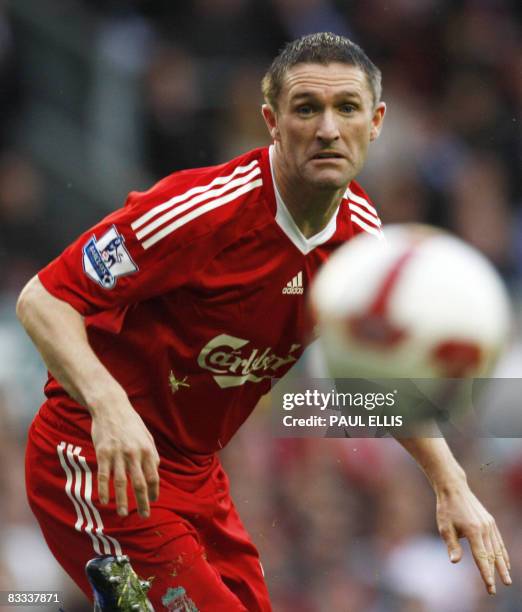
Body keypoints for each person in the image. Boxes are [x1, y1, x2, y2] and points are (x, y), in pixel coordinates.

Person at [17, 32, 511, 611]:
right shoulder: (199, 211)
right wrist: (110, 406)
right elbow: (42, 300)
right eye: (307, 108)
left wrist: (450, 482)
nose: (328, 128)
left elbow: (377, 377)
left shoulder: (362, 240)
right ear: (272, 121)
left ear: (375, 122)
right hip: (95, 462)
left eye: (346, 108)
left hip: (195, 479)